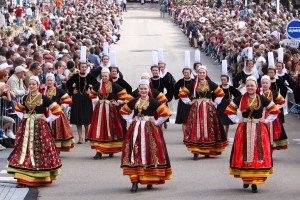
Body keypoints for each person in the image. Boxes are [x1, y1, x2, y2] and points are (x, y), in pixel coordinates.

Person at [225, 76, 280, 193]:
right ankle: (246, 179)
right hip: (243, 129)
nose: (250, 88)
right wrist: (236, 120)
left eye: (252, 86)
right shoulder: (240, 98)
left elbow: (275, 110)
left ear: (256, 87)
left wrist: (266, 120)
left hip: (259, 128)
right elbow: (229, 110)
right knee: (244, 152)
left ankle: (254, 182)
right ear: (245, 86)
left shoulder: (262, 98)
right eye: (248, 85)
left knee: (258, 152)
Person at [7, 76, 63, 188]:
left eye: (34, 84)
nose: (31, 86)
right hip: (26, 127)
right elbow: (18, 109)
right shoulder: (25, 98)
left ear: (38, 85)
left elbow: (58, 111)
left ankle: (39, 177)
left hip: (40, 128)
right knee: (24, 150)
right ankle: (23, 178)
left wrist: (47, 119)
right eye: (30, 84)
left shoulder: (44, 98)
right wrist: (25, 117)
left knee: (39, 150)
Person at [120, 79, 172, 192]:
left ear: (148, 89)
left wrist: (156, 122)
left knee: (150, 152)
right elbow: (123, 111)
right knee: (134, 152)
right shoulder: (134, 101)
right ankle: (134, 182)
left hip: (149, 129)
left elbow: (166, 113)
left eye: (145, 88)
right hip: (135, 129)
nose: (143, 90)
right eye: (141, 88)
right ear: (138, 90)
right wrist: (130, 119)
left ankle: (149, 179)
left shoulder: (153, 102)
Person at [179, 65, 228, 160]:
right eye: (200, 73)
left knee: (210, 128)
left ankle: (208, 151)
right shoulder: (194, 84)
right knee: (197, 128)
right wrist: (190, 101)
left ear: (206, 74)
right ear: (197, 73)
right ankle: (196, 151)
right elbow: (182, 93)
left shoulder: (210, 83)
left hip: (209, 108)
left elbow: (221, 93)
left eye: (203, 73)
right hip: (197, 108)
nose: (201, 74)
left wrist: (215, 102)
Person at [87, 68, 132, 159]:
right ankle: (98, 151)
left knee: (111, 129)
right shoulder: (97, 85)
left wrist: (118, 102)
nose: (104, 78)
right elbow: (91, 94)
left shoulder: (114, 85)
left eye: (106, 76)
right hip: (99, 110)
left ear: (109, 76)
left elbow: (125, 95)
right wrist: (96, 100)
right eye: (103, 76)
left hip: (111, 110)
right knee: (99, 129)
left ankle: (111, 149)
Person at [66, 62, 97, 144]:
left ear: (87, 68)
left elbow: (97, 85)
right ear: (79, 67)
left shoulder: (89, 76)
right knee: (78, 118)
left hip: (87, 98)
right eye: (82, 67)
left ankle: (87, 135)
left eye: (85, 67)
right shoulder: (76, 76)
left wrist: (91, 91)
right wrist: (72, 91)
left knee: (86, 118)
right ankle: (80, 137)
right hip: (77, 98)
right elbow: (67, 84)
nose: (83, 68)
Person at [44, 73, 74, 153]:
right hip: (46, 112)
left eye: (51, 80)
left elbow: (68, 100)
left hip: (56, 113)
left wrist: (61, 107)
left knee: (57, 131)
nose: (50, 82)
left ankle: (56, 149)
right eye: (48, 80)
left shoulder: (59, 90)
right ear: (46, 81)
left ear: (54, 81)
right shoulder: (43, 91)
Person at [260, 75, 287, 151]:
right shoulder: (258, 93)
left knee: (272, 133)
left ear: (269, 84)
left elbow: (282, 102)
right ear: (261, 84)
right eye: (263, 83)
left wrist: (275, 107)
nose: (265, 84)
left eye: (266, 83)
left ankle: (270, 150)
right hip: (260, 115)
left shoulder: (274, 93)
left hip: (272, 116)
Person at [174, 67, 194, 135]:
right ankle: (185, 136)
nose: (186, 74)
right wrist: (178, 95)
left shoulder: (194, 81)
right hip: (183, 102)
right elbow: (175, 89)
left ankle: (191, 136)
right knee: (184, 120)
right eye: (185, 72)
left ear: (190, 73)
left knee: (193, 119)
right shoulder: (180, 81)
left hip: (192, 101)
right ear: (183, 73)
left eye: (187, 73)